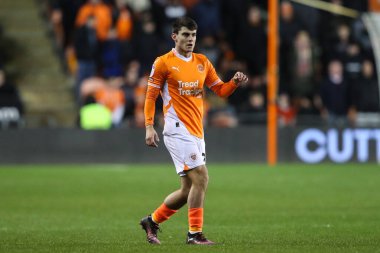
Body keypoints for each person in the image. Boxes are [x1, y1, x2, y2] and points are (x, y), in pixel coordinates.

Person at [140, 17, 248, 245]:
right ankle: (194, 234)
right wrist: (149, 126)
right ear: (175, 37)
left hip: (196, 131)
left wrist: (234, 83)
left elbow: (220, 90)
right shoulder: (163, 63)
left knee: (187, 188)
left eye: (193, 35)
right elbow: (150, 97)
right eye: (186, 35)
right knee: (202, 176)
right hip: (177, 128)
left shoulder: (202, 62)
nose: (190, 39)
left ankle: (152, 220)